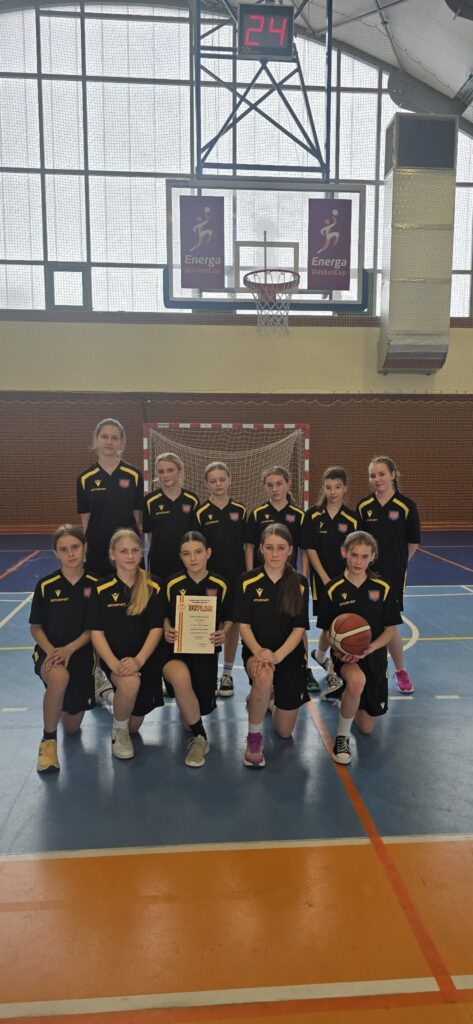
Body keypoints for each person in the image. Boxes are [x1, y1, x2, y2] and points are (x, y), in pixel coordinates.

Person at [317, 531, 402, 765]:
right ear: (344, 553)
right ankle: (342, 738)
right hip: (344, 656)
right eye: (354, 555)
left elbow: (390, 630)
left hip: (373, 655)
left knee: (365, 727)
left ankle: (344, 694)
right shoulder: (333, 588)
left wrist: (370, 647)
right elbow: (327, 629)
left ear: (373, 557)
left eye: (365, 556)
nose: (358, 561)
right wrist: (339, 649)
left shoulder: (382, 587)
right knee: (356, 681)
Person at [76, 418, 144, 705]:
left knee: (130, 612)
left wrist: (134, 552)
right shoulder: (85, 478)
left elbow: (137, 519)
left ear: (122, 442)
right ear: (96, 440)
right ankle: (97, 676)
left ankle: (131, 669)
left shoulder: (133, 475)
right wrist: (87, 552)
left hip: (127, 558)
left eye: (115, 437)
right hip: (98, 560)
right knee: (97, 616)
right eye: (104, 436)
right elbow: (86, 521)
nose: (109, 442)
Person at [234, 523, 310, 769]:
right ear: (261, 549)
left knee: (284, 732)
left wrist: (276, 656)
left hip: (288, 656)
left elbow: (299, 629)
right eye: (269, 548)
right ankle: (254, 739)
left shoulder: (300, 583)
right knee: (264, 674)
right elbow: (243, 626)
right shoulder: (247, 581)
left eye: (281, 548)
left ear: (290, 550)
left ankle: (267, 699)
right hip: (257, 653)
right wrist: (260, 653)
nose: (275, 554)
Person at [87, 529, 164, 760]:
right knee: (129, 685)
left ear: (141, 552)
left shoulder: (154, 585)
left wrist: (139, 660)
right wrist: (114, 664)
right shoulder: (100, 589)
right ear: (112, 555)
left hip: (145, 661)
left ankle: (109, 695)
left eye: (135, 550)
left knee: (134, 726)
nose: (130, 556)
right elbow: (96, 633)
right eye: (123, 551)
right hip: (116, 662)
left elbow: (156, 628)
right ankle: (117, 732)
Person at [160, 531, 233, 768]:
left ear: (208, 553)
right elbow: (163, 615)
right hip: (175, 652)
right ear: (180, 556)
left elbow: (229, 617)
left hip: (205, 652)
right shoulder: (172, 583)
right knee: (182, 683)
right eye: (187, 554)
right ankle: (200, 737)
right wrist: (167, 628)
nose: (193, 558)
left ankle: (193, 719)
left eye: (198, 552)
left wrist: (224, 631)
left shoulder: (220, 584)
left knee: (191, 715)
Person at [29, 524, 96, 774]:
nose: (71, 554)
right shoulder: (46, 585)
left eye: (75, 547)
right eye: (64, 549)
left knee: (71, 728)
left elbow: (93, 629)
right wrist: (52, 651)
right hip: (50, 652)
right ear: (56, 553)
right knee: (59, 677)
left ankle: (56, 699)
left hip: (80, 656)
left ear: (85, 548)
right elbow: (35, 627)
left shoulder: (96, 585)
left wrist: (69, 649)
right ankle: (48, 742)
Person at [245, 466, 315, 692]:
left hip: (289, 579)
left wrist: (304, 576)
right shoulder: (257, 514)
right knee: (263, 624)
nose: (274, 489)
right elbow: (250, 547)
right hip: (263, 578)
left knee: (297, 626)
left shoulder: (299, 515)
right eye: (270, 485)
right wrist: (250, 574)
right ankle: (261, 667)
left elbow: (304, 550)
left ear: (288, 484)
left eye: (279, 484)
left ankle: (305, 668)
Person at [356, 456, 420, 694]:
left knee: (389, 623)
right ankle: (363, 669)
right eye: (373, 475)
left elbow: (413, 542)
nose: (377, 479)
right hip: (366, 576)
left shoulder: (406, 505)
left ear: (393, 474)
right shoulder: (364, 506)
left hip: (393, 577)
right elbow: (358, 542)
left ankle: (400, 671)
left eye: (381, 474)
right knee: (363, 620)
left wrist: (399, 564)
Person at [301, 466, 358, 697]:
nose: (333, 492)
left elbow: (355, 550)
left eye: (337, 487)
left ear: (345, 488)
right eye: (328, 487)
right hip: (322, 582)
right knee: (328, 625)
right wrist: (324, 577)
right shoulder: (312, 516)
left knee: (340, 623)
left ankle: (329, 665)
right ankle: (330, 667)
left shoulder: (352, 518)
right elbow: (309, 548)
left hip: (346, 581)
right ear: (323, 488)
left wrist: (347, 578)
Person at [195, 461, 246, 698]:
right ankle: (207, 674)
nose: (218, 484)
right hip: (209, 579)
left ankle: (227, 673)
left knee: (231, 624)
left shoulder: (240, 510)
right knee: (209, 625)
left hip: (235, 577)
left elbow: (247, 546)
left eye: (222, 479)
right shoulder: (200, 512)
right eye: (213, 480)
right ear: (207, 483)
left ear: (229, 480)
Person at [143, 453, 199, 583]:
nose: (165, 475)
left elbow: (195, 534)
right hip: (159, 561)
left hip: (186, 561)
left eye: (170, 470)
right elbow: (149, 534)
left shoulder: (192, 499)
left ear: (180, 471)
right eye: (161, 471)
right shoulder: (150, 501)